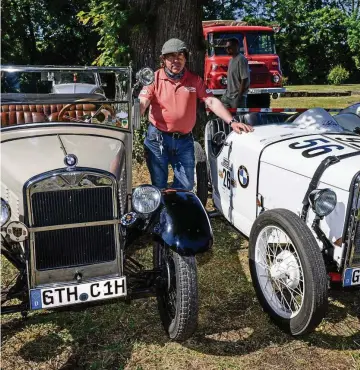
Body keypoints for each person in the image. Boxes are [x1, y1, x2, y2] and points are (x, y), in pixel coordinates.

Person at [139, 38, 253, 191]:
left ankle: (176, 209)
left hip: (184, 141)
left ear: (185, 58)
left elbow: (211, 101)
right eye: (171, 57)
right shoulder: (154, 79)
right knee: (159, 183)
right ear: (163, 60)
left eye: (180, 56)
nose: (176, 60)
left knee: (186, 185)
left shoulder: (194, 80)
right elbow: (143, 102)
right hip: (157, 139)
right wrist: (135, 113)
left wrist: (232, 122)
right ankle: (161, 212)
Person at [221, 38, 250, 109]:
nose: (227, 49)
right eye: (226, 48)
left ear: (236, 47)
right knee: (225, 117)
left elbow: (244, 79)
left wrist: (239, 97)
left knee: (239, 118)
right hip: (228, 96)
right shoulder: (231, 60)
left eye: (229, 47)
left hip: (237, 97)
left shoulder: (241, 59)